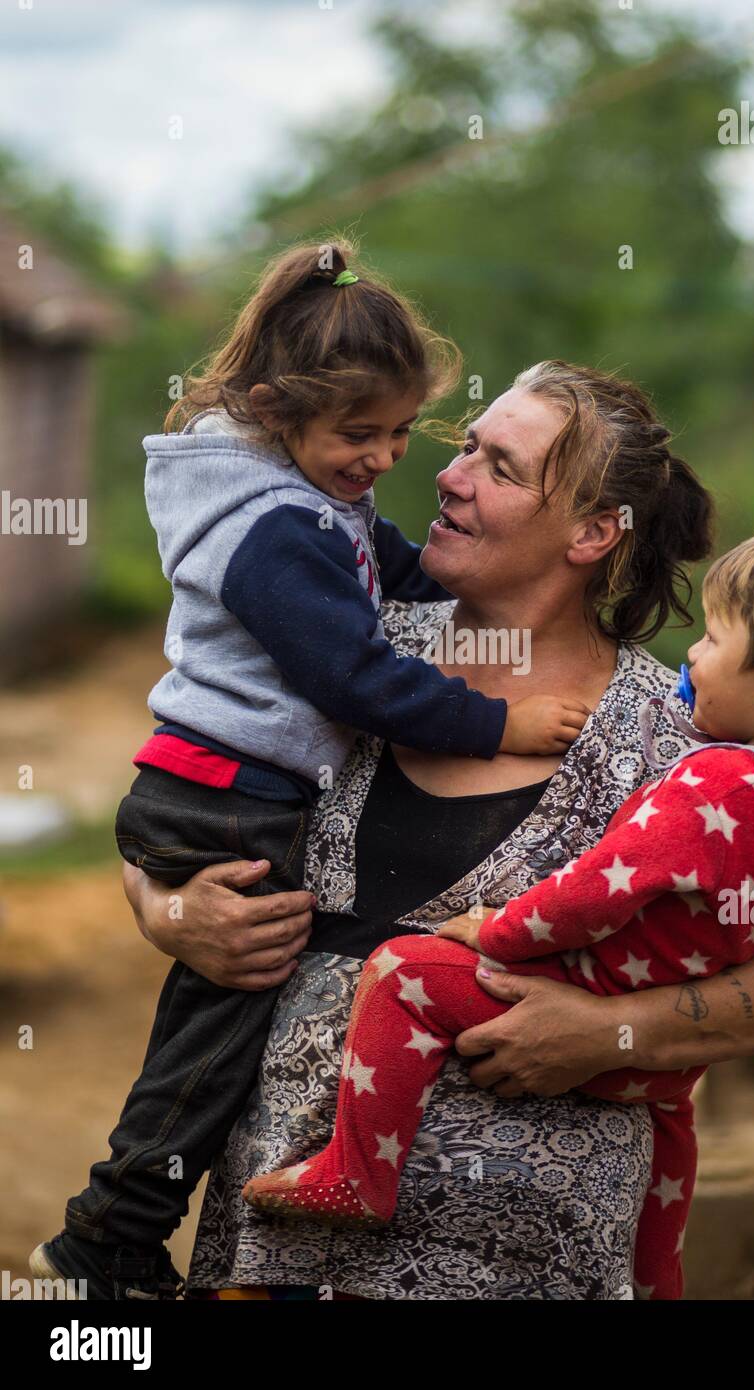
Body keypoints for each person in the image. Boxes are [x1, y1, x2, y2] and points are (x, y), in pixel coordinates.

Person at [123, 363, 754, 1302]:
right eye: (465, 444)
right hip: (281, 1231)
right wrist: (167, 906)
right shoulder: (347, 649)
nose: (447, 473)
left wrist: (612, 1033)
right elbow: (179, 809)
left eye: (499, 466)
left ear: (593, 533)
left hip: (519, 1257)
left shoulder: (673, 741)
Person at [29, 247, 585, 1301]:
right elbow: (360, 679)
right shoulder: (273, 531)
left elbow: (394, 566)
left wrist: (483, 595)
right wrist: (502, 720)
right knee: (220, 1031)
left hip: (214, 790)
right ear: (279, 408)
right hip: (224, 798)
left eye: (396, 432)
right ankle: (108, 1233)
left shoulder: (309, 496)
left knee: (216, 1021)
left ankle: (120, 1227)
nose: (382, 457)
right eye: (357, 433)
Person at [242, 529, 754, 1300]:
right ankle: (656, 1278)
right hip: (656, 1074)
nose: (691, 655)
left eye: (713, 640)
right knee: (671, 1147)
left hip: (575, 1000)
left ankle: (357, 1173)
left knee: (401, 972)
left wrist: (497, 930)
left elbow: (600, 889)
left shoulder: (711, 775)